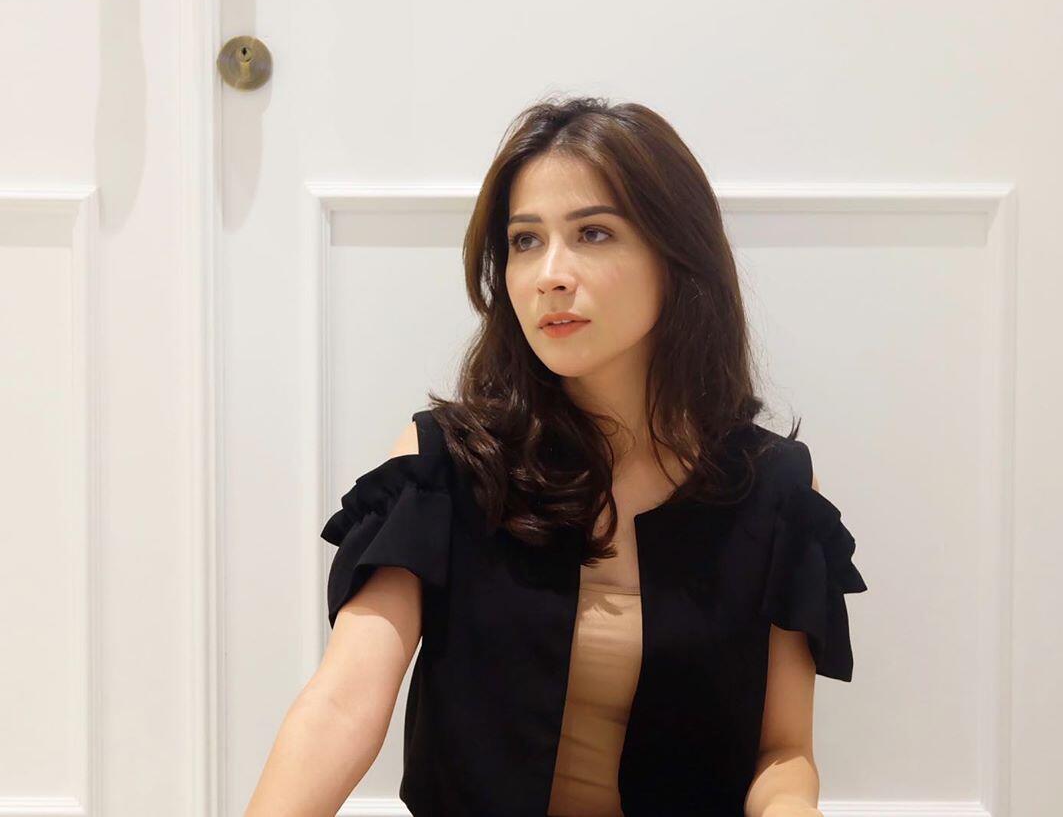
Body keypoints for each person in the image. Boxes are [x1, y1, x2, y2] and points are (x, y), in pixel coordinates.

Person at [243, 96, 868, 817]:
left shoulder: (773, 490)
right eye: (525, 241)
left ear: (676, 256)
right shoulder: (447, 464)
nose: (550, 274)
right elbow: (342, 703)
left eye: (593, 233)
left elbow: (782, 752)